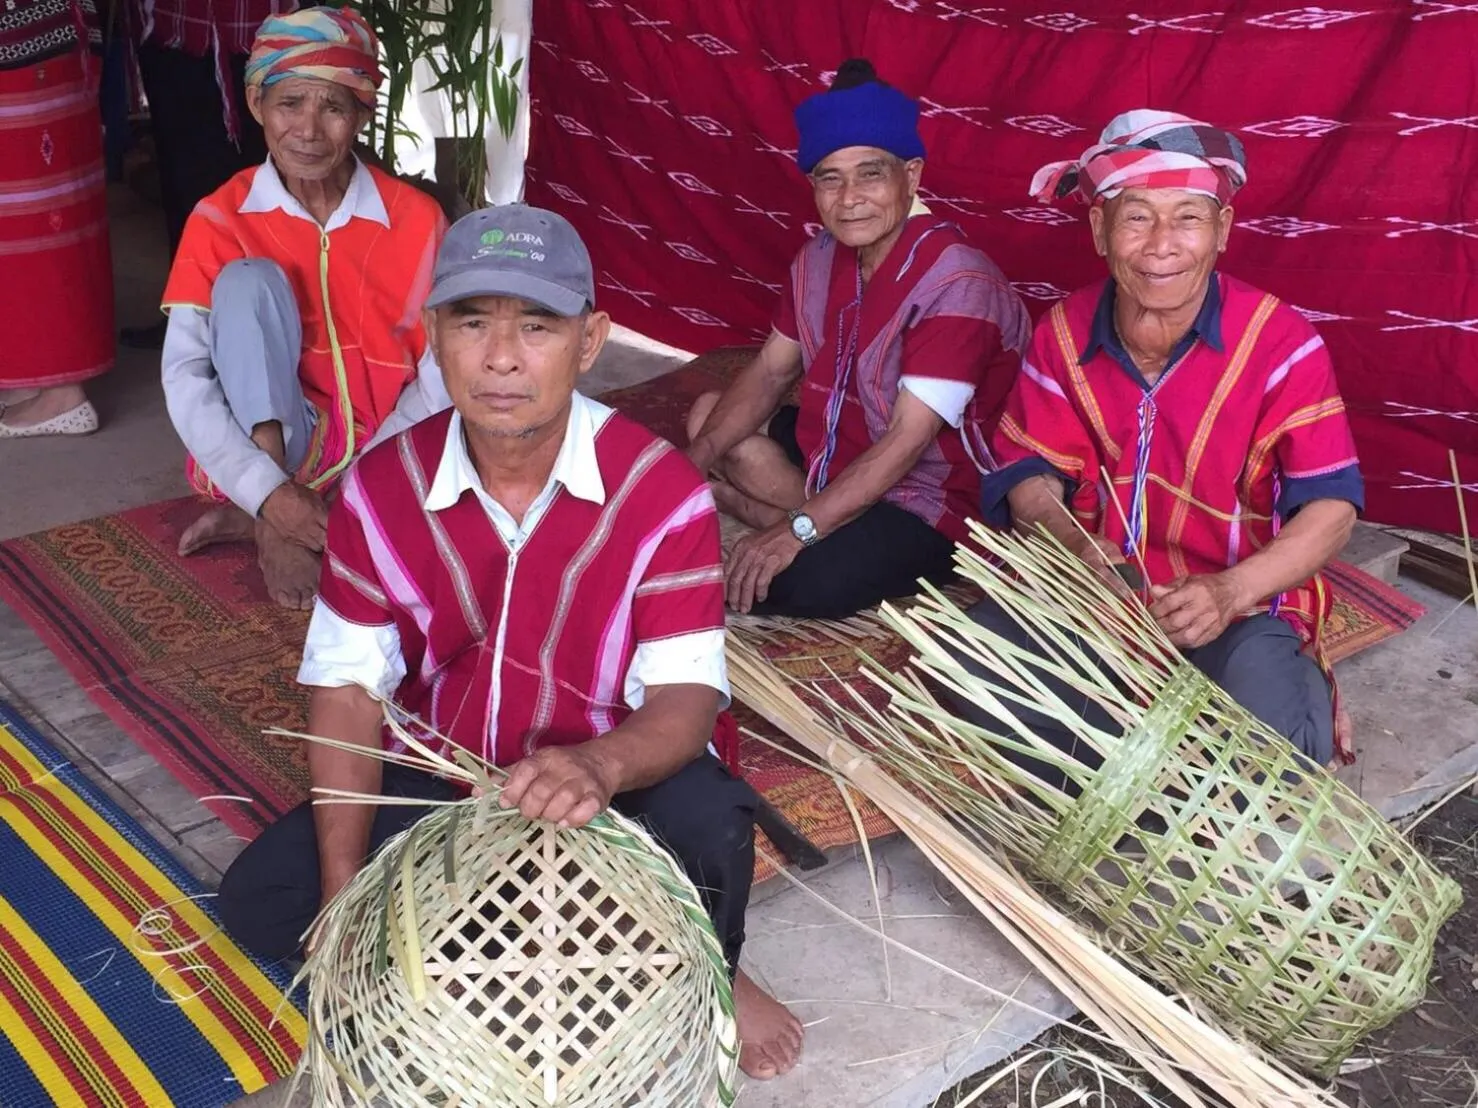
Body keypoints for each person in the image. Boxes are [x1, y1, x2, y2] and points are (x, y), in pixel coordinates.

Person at [215, 205, 805, 1080]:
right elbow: (344, 690)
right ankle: (561, 914)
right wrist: (346, 908)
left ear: (592, 339)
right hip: (444, 772)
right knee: (264, 901)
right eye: (472, 322)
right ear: (434, 337)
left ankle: (712, 963)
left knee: (710, 823)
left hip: (607, 780)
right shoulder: (383, 489)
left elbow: (686, 698)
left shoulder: (660, 492)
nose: (500, 358)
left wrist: (600, 767)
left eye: (537, 326)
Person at [974, 110, 1362, 767]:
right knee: (974, 661)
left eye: (1187, 216)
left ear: (1222, 231)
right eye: (1136, 216)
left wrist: (1231, 592)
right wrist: (1076, 546)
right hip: (1100, 604)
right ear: (1099, 229)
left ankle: (1128, 756)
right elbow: (1029, 475)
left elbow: (1331, 509)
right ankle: (1149, 766)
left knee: (1281, 741)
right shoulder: (1062, 335)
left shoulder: (1282, 345)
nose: (1161, 245)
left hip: (1234, 606)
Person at [685, 59, 1029, 619]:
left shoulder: (958, 281)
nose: (849, 198)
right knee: (707, 419)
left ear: (910, 176)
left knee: (786, 584)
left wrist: (795, 532)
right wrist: (689, 464)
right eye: (830, 177)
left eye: (871, 173)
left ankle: (772, 509)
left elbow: (905, 442)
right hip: (837, 454)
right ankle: (814, 511)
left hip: (931, 498)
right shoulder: (818, 257)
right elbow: (771, 372)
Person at [160, 6, 448, 610]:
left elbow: (439, 373)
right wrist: (271, 494)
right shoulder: (220, 217)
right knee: (246, 283)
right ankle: (272, 515)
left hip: (385, 439)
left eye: (334, 107)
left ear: (362, 117)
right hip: (285, 436)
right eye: (290, 104)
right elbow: (185, 376)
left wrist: (366, 484)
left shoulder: (416, 220)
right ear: (258, 106)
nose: (310, 131)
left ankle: (283, 515)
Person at [117, 0, 297, 349]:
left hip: (259, 27)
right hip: (174, 25)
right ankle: (189, 318)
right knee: (182, 176)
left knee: (265, 176)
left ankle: (273, 323)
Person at [0, 0, 113, 438]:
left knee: (37, 216)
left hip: (29, 37)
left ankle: (63, 392)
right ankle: (33, 373)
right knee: (32, 215)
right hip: (45, 31)